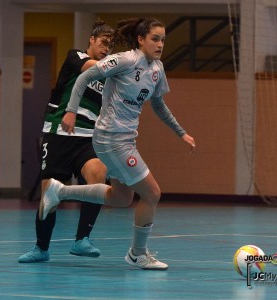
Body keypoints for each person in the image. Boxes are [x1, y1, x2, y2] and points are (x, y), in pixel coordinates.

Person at [39, 18, 196, 270]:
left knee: (122, 197)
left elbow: (158, 105)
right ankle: (138, 253)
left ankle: (60, 191)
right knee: (152, 193)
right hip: (111, 138)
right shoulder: (124, 60)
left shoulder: (157, 69)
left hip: (124, 139)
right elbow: (84, 78)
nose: (160, 44)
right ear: (140, 39)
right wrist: (70, 110)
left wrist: (181, 132)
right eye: (155, 38)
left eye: (163, 39)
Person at [18, 20, 114, 263]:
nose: (106, 49)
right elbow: (93, 68)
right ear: (91, 40)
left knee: (98, 174)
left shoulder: (109, 77)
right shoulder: (77, 57)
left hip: (87, 139)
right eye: (103, 43)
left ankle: (82, 239)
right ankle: (41, 248)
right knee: (48, 193)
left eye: (110, 47)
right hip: (59, 135)